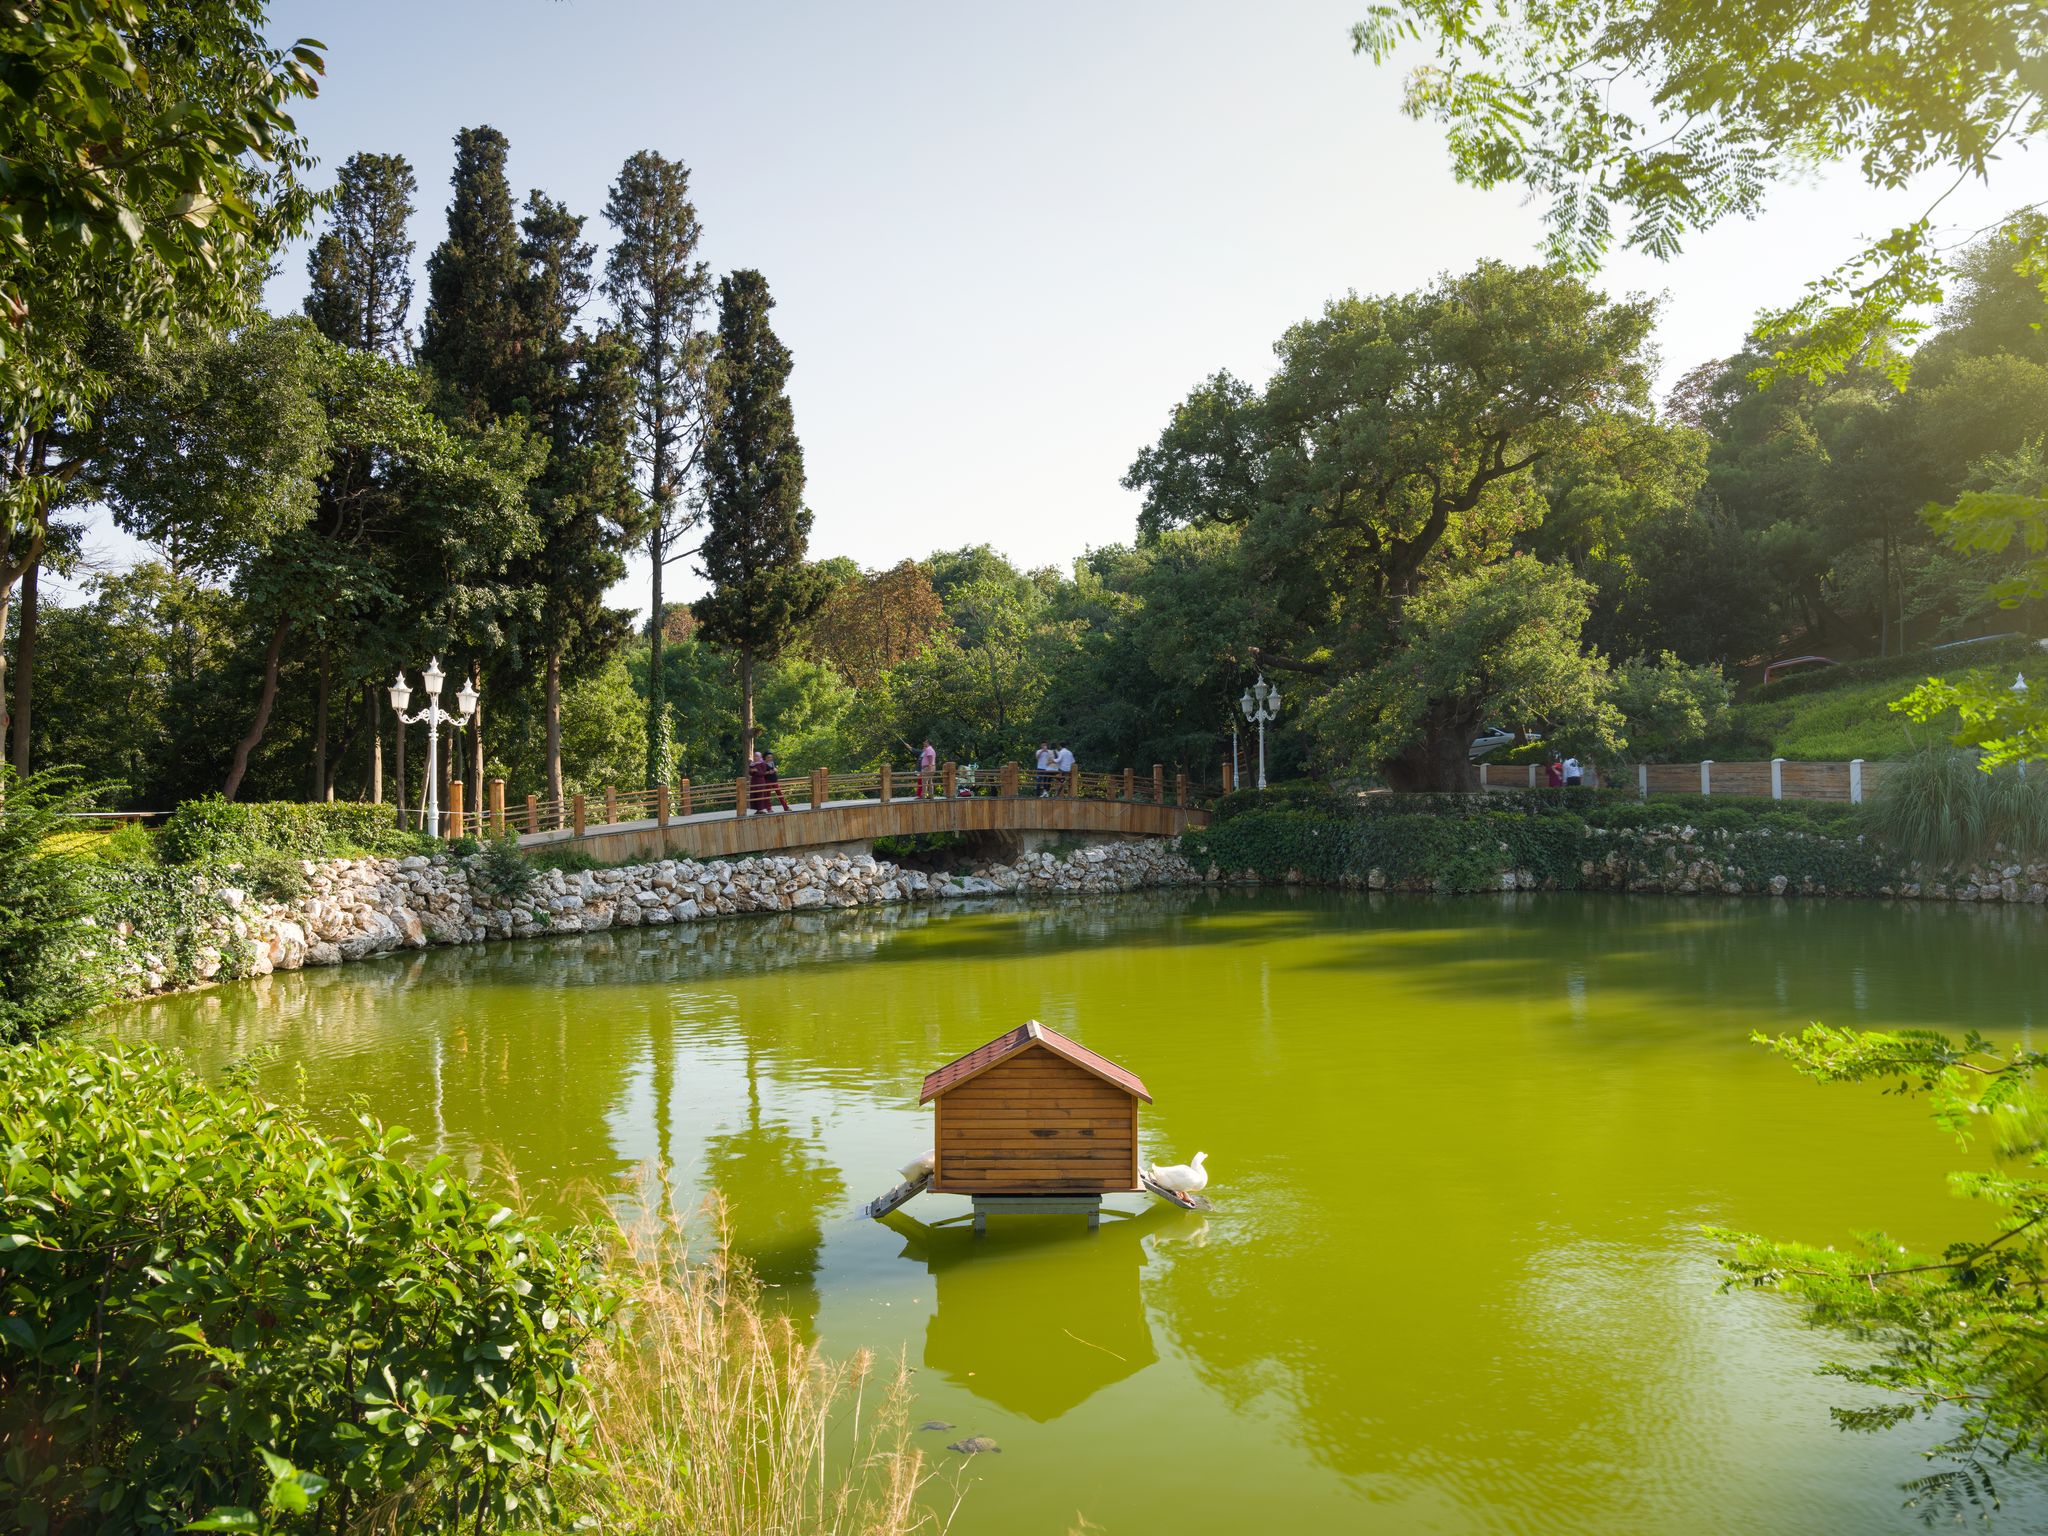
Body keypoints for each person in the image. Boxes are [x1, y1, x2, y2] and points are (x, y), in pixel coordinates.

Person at [759, 747, 792, 811]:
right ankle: (769, 809)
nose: (770, 758)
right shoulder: (763, 764)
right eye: (768, 757)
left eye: (771, 757)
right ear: (765, 757)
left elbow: (774, 769)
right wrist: (769, 772)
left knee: (780, 794)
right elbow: (761, 773)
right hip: (767, 781)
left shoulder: (772, 762)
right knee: (768, 795)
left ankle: (786, 807)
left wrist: (775, 770)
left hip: (774, 780)